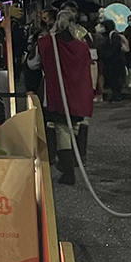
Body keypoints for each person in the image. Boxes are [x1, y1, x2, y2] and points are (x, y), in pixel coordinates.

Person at [38, 10, 95, 185]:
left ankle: (68, 170)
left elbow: (34, 62)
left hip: (59, 96)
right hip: (78, 96)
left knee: (63, 131)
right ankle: (71, 163)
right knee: (73, 130)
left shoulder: (48, 43)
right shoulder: (81, 46)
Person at [96, 20, 127, 102]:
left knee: (116, 79)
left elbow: (115, 49)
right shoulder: (109, 36)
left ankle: (117, 95)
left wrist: (106, 55)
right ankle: (115, 95)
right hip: (112, 62)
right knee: (113, 79)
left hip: (116, 62)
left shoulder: (114, 36)